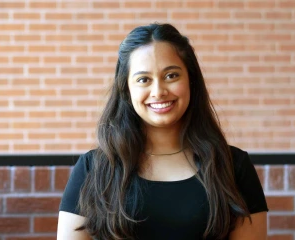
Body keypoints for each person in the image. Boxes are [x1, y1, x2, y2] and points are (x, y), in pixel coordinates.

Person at [57, 23, 268, 240]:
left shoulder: (233, 167)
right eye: (143, 80)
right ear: (126, 90)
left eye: (171, 76)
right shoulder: (95, 169)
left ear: (191, 80)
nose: (158, 91)